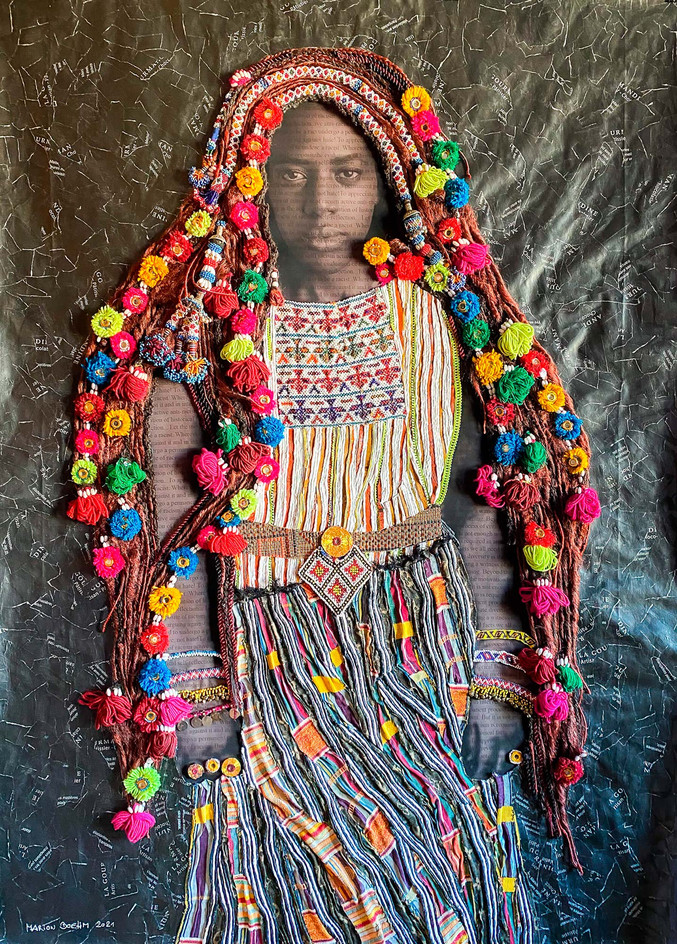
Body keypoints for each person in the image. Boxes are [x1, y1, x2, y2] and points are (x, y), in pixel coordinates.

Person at [68, 46, 600, 944]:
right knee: (291, 884)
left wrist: (492, 678)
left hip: (415, 631)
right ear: (255, 185)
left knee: (439, 875)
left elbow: (484, 496)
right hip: (267, 639)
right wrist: (195, 691)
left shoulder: (435, 320)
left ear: (388, 183)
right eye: (293, 173)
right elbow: (172, 515)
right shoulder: (207, 329)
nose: (320, 200)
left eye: (346, 173)